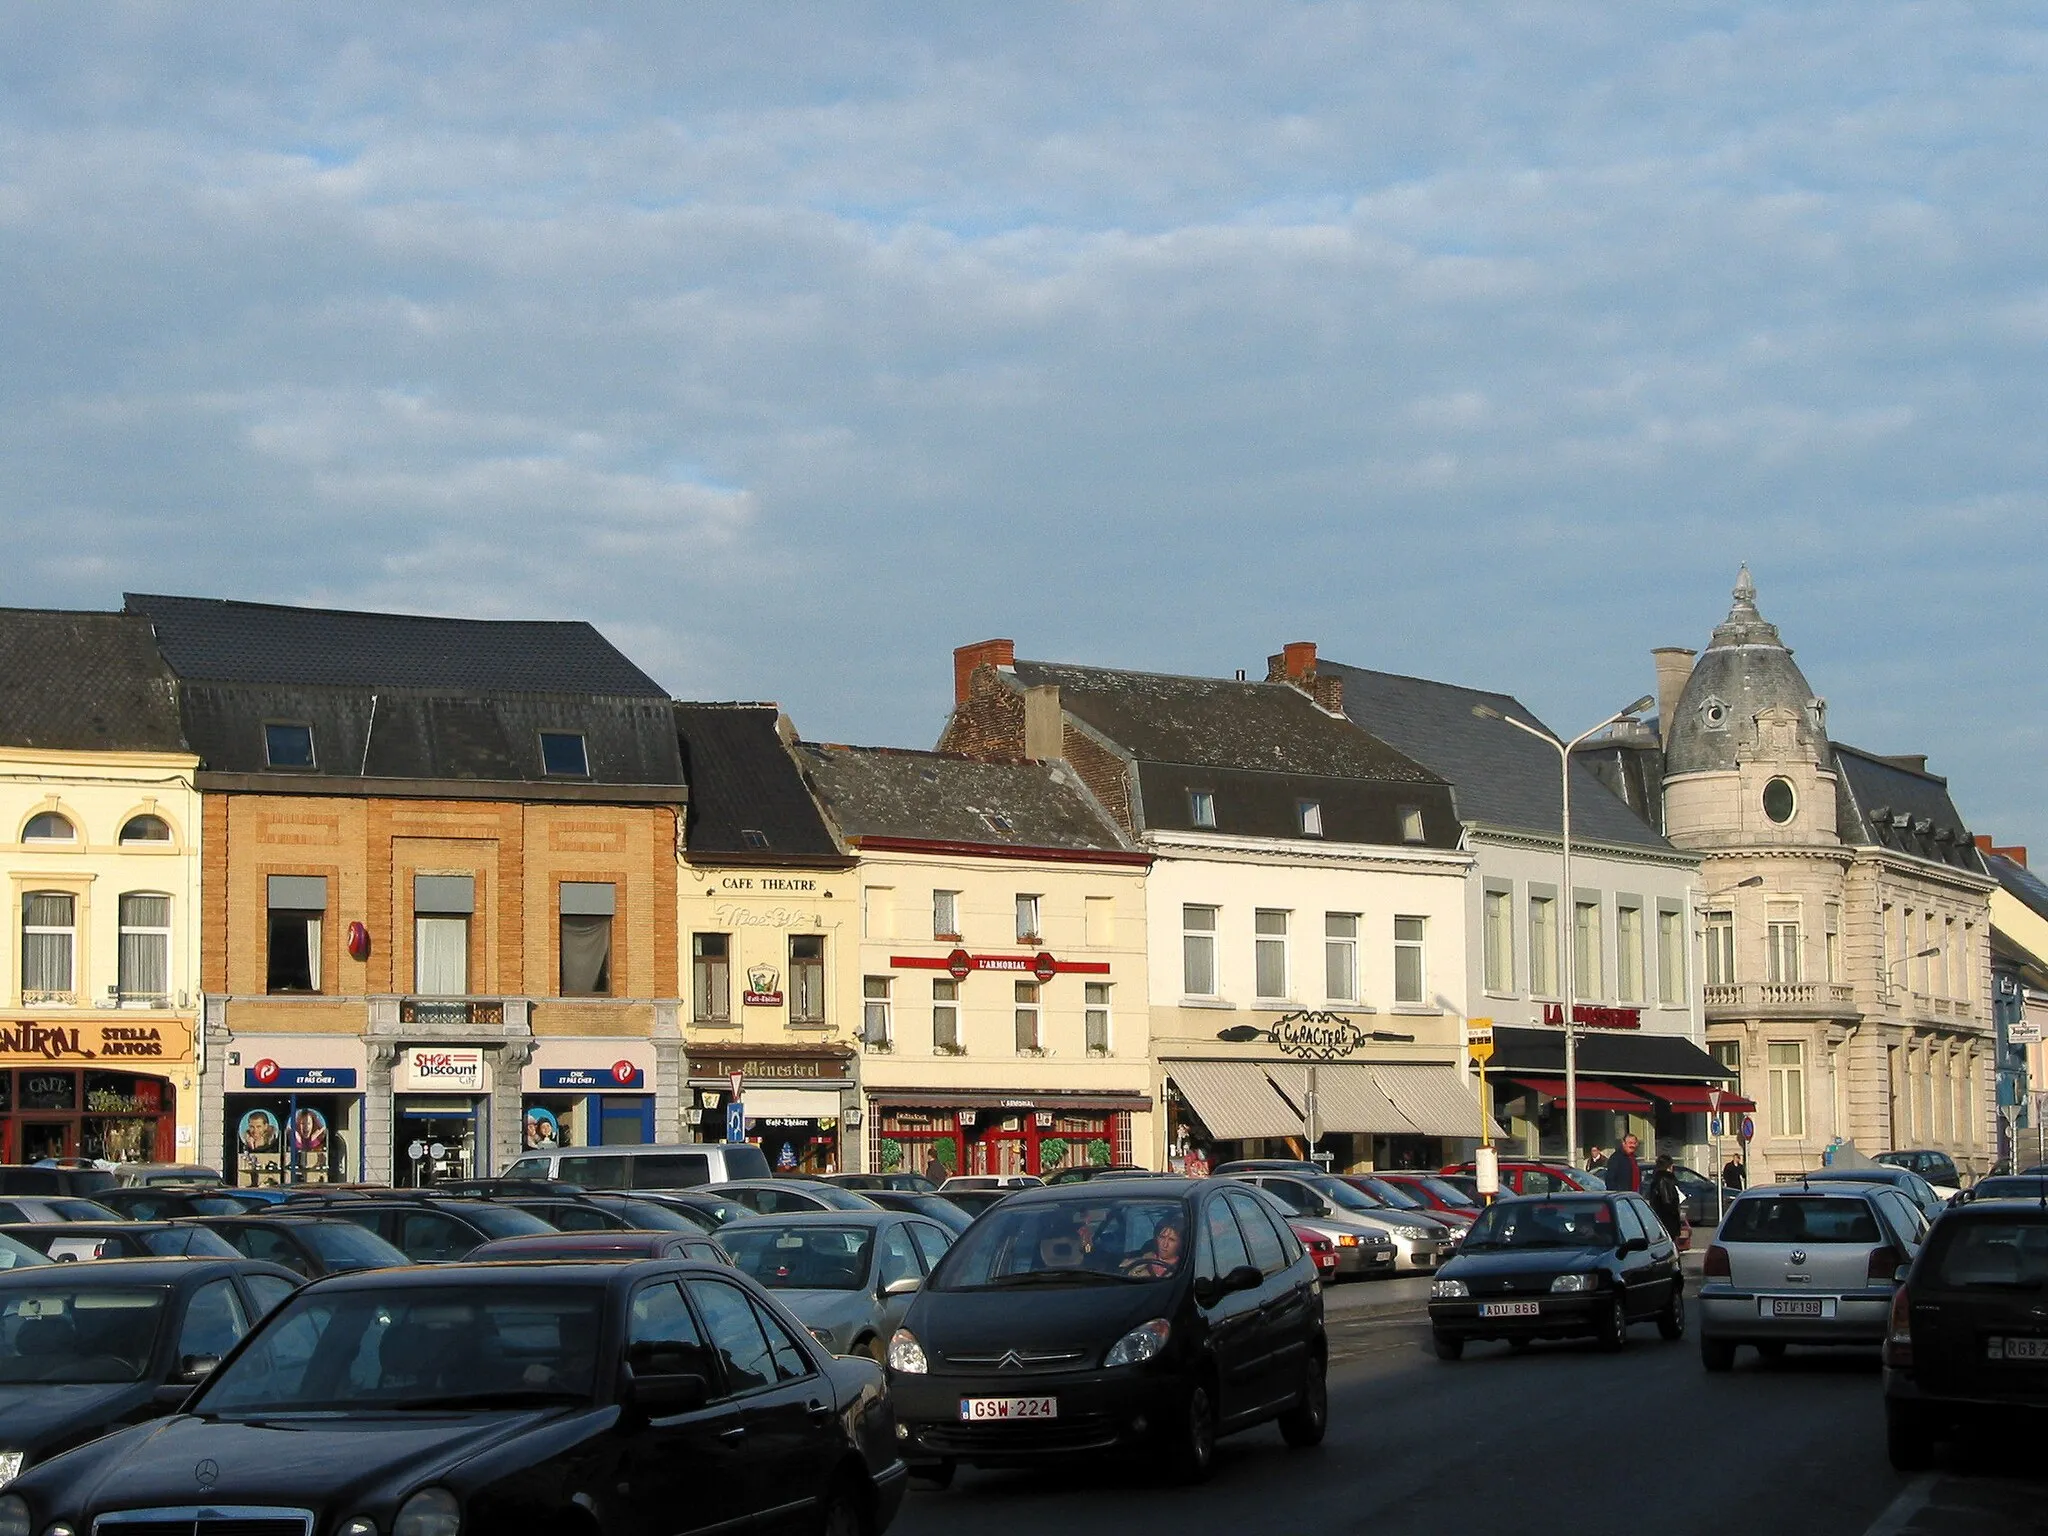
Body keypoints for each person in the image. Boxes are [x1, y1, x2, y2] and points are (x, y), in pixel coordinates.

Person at [1645, 1154, 1685, 1242]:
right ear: (1670, 1166)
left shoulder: (1657, 1179)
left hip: (1661, 1217)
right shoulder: (1665, 1180)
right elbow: (1668, 1201)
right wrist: (1675, 1213)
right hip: (1667, 1219)